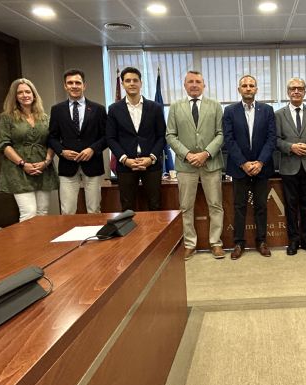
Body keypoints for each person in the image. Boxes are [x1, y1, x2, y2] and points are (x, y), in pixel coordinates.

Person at [166, 70, 226, 261]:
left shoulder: (215, 106)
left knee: (215, 205)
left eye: (198, 81)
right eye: (190, 82)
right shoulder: (175, 107)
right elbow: (170, 135)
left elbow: (221, 133)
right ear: (184, 85)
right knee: (186, 206)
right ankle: (189, 244)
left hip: (211, 163)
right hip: (186, 165)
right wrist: (188, 154)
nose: (194, 85)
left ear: (204, 85)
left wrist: (206, 153)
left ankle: (216, 243)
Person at [223, 74, 276, 260]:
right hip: (239, 167)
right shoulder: (229, 111)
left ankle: (261, 241)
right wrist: (243, 163)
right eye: (244, 85)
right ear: (239, 89)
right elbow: (228, 140)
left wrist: (260, 162)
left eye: (251, 85)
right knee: (239, 206)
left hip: (262, 167)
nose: (248, 88)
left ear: (256, 89)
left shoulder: (267, 110)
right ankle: (238, 243)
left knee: (261, 206)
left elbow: (271, 139)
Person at [0, 78, 58, 222]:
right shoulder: (7, 118)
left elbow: (52, 141)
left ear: (34, 94)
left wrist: (46, 162)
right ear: (15, 97)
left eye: (28, 91)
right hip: (19, 170)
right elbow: (3, 144)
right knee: (28, 213)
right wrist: (23, 164)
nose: (25, 95)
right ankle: (28, 245)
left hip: (43, 168)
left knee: (42, 212)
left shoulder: (44, 117)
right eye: (20, 92)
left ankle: (41, 245)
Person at [275, 78, 306, 255]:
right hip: (289, 166)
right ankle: (293, 241)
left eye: (300, 89)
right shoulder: (279, 114)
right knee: (290, 206)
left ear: (305, 92)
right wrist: (291, 147)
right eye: (292, 89)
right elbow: (275, 140)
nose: (296, 91)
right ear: (288, 92)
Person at [106, 67, 166, 211]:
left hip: (151, 164)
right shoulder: (114, 109)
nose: (132, 83)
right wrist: (125, 160)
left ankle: (154, 234)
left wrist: (151, 158)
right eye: (128, 81)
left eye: (135, 80)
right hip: (126, 165)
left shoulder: (155, 107)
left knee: (155, 204)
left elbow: (162, 136)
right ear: (123, 84)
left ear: (141, 83)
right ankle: (130, 234)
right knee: (127, 206)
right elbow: (111, 138)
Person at [48, 69, 107, 214]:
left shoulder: (98, 109)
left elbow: (107, 136)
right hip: (68, 166)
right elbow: (51, 137)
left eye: (77, 83)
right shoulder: (57, 110)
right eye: (70, 83)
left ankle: (94, 236)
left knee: (94, 209)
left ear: (84, 85)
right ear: (65, 86)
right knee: (67, 210)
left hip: (92, 164)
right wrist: (62, 151)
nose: (74, 86)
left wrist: (92, 149)